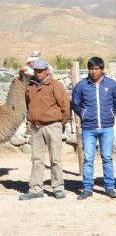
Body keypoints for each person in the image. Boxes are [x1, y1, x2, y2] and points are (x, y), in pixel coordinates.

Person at [19, 58, 70, 201]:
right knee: (36, 159)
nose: (38, 73)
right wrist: (30, 120)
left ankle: (58, 187)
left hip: (52, 125)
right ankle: (36, 189)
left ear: (47, 70)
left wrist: (62, 123)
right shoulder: (30, 86)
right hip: (36, 127)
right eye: (36, 70)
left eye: (40, 70)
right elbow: (28, 104)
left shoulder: (55, 85)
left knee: (55, 158)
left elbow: (65, 105)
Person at [71, 57, 116, 200]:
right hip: (88, 128)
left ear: (102, 69)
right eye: (91, 69)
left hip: (106, 127)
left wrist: (111, 114)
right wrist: (84, 114)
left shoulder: (111, 85)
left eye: (96, 69)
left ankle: (110, 187)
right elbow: (75, 103)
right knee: (88, 159)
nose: (93, 72)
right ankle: (87, 188)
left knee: (107, 157)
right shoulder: (81, 85)